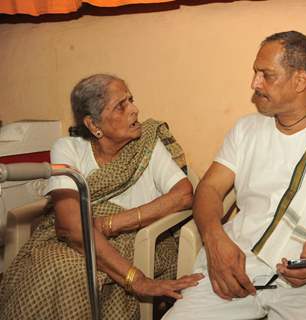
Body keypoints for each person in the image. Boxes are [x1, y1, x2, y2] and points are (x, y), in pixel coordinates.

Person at [163, 31, 306, 320]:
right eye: (254, 73)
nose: (254, 83)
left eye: (266, 75)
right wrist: (215, 240)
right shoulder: (246, 129)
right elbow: (209, 188)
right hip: (239, 261)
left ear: (299, 80)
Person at [0, 74, 203, 320]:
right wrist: (136, 279)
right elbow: (70, 227)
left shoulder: (147, 144)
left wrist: (111, 223)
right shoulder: (68, 149)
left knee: (70, 268)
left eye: (131, 100)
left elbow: (183, 195)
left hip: (136, 242)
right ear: (94, 125)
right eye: (121, 105)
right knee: (50, 264)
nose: (134, 110)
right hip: (72, 242)